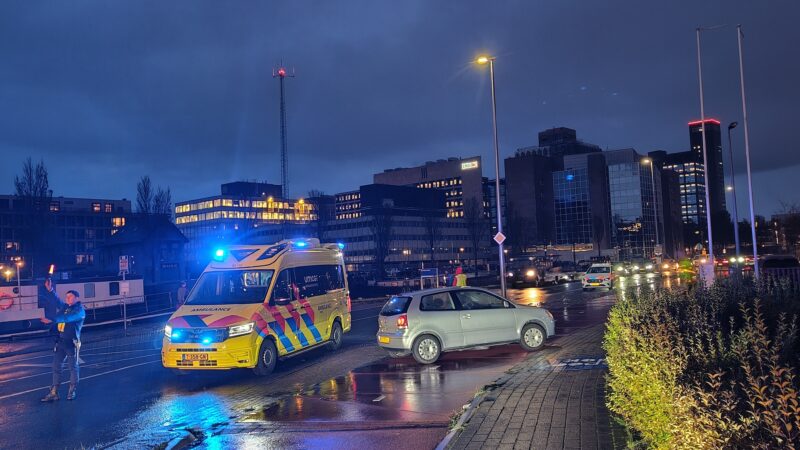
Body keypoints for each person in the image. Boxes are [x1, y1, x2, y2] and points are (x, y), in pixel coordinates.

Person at [41, 290, 85, 402]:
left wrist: (53, 320)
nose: (67, 298)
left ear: (77, 298)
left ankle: (72, 391)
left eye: (70, 296)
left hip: (71, 343)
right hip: (61, 342)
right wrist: (51, 291)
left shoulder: (79, 311)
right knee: (56, 367)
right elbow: (58, 301)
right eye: (66, 297)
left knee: (73, 367)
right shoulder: (66, 308)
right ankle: (54, 392)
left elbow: (67, 318)